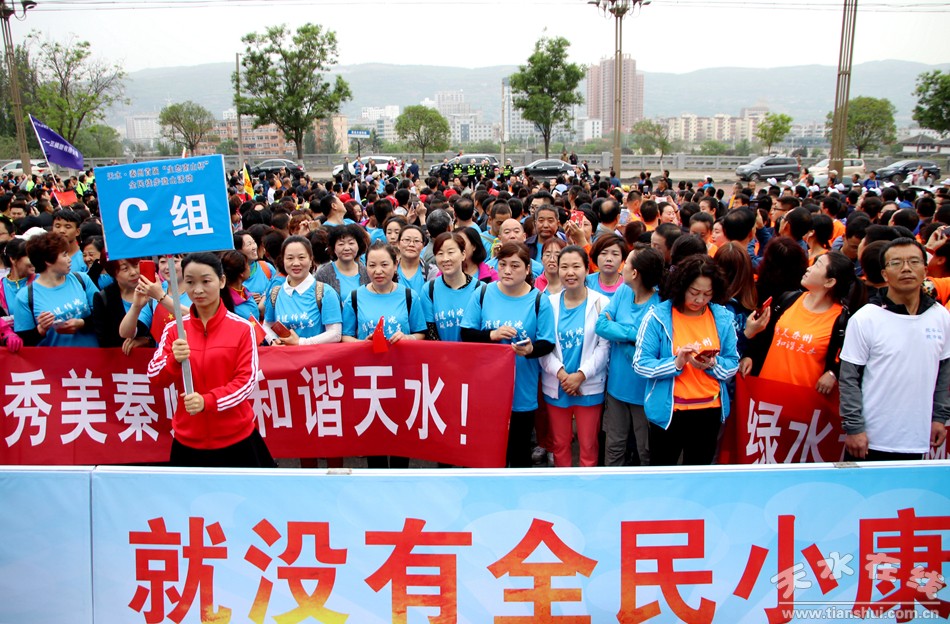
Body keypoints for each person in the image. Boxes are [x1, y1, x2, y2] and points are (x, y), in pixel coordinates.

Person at [147, 252, 274, 468]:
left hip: (237, 438)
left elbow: (245, 382)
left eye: (206, 281)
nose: (197, 290)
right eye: (190, 282)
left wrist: (208, 401)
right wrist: (173, 360)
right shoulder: (175, 330)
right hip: (188, 439)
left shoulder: (242, 328)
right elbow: (154, 376)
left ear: (222, 281)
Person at [840, 238, 950, 460]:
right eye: (896, 263)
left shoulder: (941, 316)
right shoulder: (866, 318)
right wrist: (854, 427)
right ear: (884, 274)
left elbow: (944, 373)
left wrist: (939, 417)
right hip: (870, 438)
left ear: (925, 270)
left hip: (918, 438)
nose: (906, 268)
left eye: (914, 261)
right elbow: (849, 378)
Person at [633, 254, 739, 465]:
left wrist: (713, 364)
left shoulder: (722, 318)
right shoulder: (657, 317)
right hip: (669, 412)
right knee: (663, 472)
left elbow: (732, 362)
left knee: (699, 474)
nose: (700, 300)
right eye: (694, 292)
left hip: (709, 411)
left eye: (707, 294)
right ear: (681, 286)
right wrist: (676, 363)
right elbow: (641, 364)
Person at [462, 242, 556, 467]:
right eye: (502, 264)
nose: (507, 271)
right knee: (489, 451)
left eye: (515, 266)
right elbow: (466, 333)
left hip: (522, 387)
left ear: (527, 269)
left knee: (519, 450)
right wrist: (492, 335)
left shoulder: (538, 300)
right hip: (487, 386)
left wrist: (530, 350)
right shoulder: (483, 293)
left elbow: (547, 342)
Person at [342, 241, 426, 469]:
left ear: (395, 265)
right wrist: (362, 344)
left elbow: (420, 333)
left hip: (402, 375)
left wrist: (407, 338)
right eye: (372, 265)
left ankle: (400, 475)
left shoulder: (409, 296)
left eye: (384, 265)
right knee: (374, 430)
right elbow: (345, 336)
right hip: (368, 377)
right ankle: (376, 476)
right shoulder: (354, 297)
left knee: (401, 429)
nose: (378, 271)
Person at [742, 251, 864, 393]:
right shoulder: (789, 299)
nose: (809, 269)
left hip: (803, 399)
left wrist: (833, 373)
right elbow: (765, 335)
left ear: (830, 282)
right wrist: (750, 355)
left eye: (817, 265)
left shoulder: (842, 321)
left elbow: (849, 359)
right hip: (766, 392)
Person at [539, 246, 610, 467]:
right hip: (556, 386)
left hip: (589, 385)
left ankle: (588, 485)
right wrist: (563, 375)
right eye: (565, 267)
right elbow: (543, 346)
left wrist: (580, 375)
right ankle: (563, 484)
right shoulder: (547, 303)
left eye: (576, 266)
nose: (570, 272)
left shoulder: (601, 303)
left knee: (588, 445)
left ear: (587, 270)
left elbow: (604, 347)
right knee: (560, 444)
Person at [595, 244, 664, 466]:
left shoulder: (660, 305)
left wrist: (620, 335)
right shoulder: (623, 291)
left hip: (645, 392)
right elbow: (601, 325)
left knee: (646, 450)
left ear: (634, 273)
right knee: (614, 446)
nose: (621, 266)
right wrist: (634, 334)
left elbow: (650, 350)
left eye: (626, 263)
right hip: (616, 388)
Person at [13, 231, 99, 347]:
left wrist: (82, 323)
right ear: (48, 261)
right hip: (53, 357)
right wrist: (41, 330)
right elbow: (23, 341)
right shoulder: (25, 296)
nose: (69, 259)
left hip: (92, 355)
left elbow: (104, 315)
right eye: (64, 255)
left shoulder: (82, 279)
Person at [266, 235, 342, 345]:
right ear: (283, 260)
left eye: (301, 257)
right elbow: (268, 325)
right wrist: (273, 341)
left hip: (316, 356)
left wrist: (301, 343)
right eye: (290, 258)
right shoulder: (275, 293)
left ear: (311, 259)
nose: (296, 263)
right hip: (285, 355)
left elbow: (335, 334)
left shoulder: (325, 293)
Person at [422, 231, 482, 342]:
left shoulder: (480, 289)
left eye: (450, 252)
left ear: (463, 254)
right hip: (441, 352)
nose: (445, 259)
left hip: (472, 352)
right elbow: (430, 331)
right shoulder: (429, 289)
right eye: (440, 253)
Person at [92, 256, 154, 352]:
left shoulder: (153, 291)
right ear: (113, 272)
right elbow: (104, 340)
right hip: (119, 358)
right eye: (125, 269)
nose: (133, 272)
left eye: (135, 265)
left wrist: (148, 340)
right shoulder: (103, 298)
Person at [314, 223, 369, 300]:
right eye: (341, 244)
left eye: (351, 243)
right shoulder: (323, 274)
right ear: (334, 248)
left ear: (358, 246)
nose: (346, 248)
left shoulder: (367, 272)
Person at [586, 234, 629, 299]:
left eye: (615, 254)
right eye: (603, 253)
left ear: (622, 259)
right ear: (596, 256)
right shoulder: (586, 282)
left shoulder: (629, 285)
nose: (609, 259)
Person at [0, 237, 33, 320]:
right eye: (29, 256)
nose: (34, 260)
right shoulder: (1, 287)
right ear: (13, 259)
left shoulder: (41, 281)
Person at [396, 224, 428, 296]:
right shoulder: (391, 270)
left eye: (416, 241)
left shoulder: (430, 271)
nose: (411, 244)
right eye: (407, 240)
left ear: (423, 246)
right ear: (398, 244)